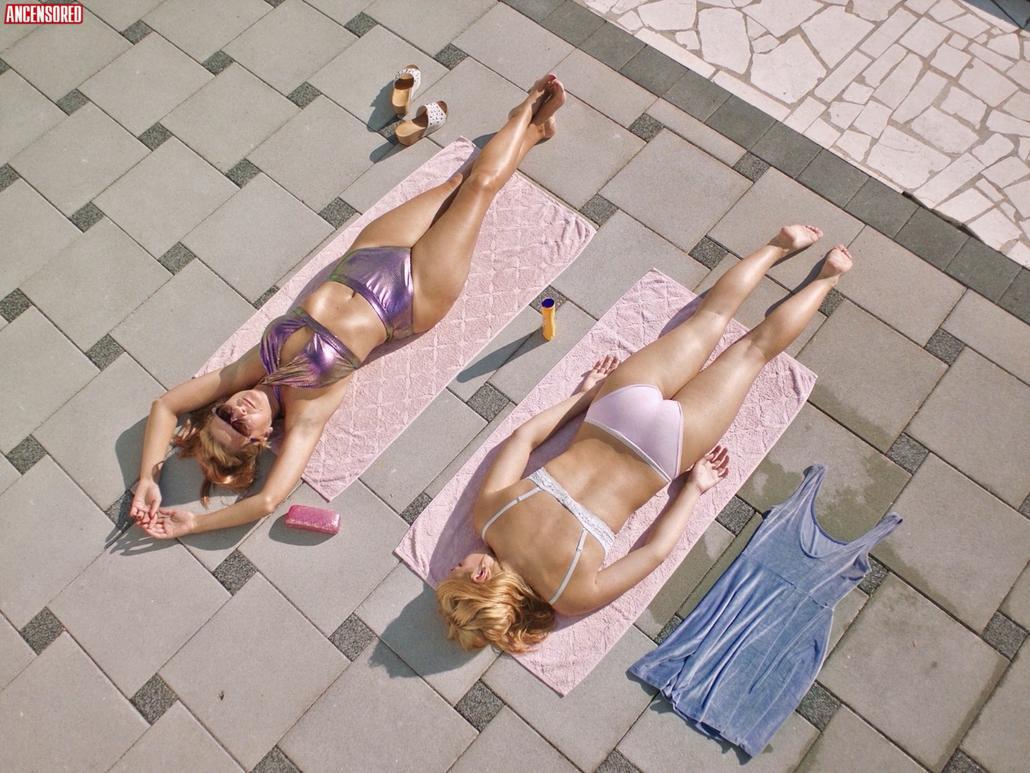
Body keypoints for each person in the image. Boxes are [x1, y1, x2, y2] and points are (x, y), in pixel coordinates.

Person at [130, 74, 568, 539]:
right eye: (240, 425)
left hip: (369, 257)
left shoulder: (252, 369)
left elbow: (166, 405)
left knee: (456, 182)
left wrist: (147, 479)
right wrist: (193, 524)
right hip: (413, 296)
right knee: (478, 189)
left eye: (223, 414)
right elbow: (267, 500)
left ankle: (533, 134)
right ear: (260, 438)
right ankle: (524, 113)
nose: (237, 411)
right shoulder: (306, 412)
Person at [437, 225, 853, 653]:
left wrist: (693, 488)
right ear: (481, 577)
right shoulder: (487, 518)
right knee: (710, 317)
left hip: (666, 448)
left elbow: (655, 551)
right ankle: (780, 244)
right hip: (616, 411)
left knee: (754, 352)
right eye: (456, 571)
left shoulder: (570, 595)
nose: (456, 563)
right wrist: (587, 397)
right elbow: (524, 439)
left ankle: (829, 277)